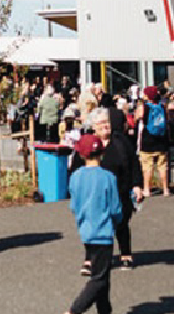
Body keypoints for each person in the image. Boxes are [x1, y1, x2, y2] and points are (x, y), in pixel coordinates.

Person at [69, 108, 143, 273]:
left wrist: (137, 185)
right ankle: (90, 258)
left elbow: (134, 164)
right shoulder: (87, 143)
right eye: (101, 123)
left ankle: (125, 254)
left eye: (107, 122)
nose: (106, 126)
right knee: (92, 224)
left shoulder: (121, 142)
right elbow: (75, 169)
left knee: (122, 222)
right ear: (93, 126)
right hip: (95, 194)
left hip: (120, 190)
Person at [63, 134, 123, 314]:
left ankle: (104, 310)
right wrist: (118, 220)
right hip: (104, 232)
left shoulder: (75, 177)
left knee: (102, 275)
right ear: (102, 153)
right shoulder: (108, 177)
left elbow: (74, 205)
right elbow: (115, 208)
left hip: (86, 230)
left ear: (81, 155)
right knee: (99, 279)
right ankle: (74, 310)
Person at [137, 86, 170, 197]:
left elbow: (138, 117)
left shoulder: (144, 107)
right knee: (162, 165)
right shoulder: (162, 106)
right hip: (161, 138)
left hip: (148, 138)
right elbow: (167, 118)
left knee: (147, 166)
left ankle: (147, 189)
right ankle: (166, 189)